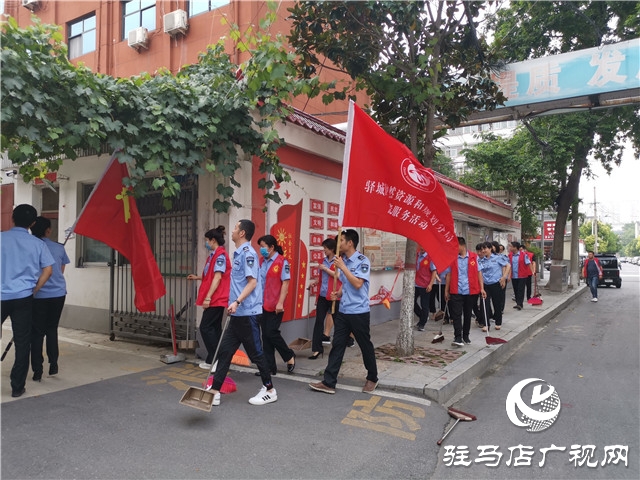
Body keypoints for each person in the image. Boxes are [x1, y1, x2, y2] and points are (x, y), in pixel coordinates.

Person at [207, 219, 276, 406]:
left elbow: (252, 282)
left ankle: (270, 389)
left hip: (247, 313)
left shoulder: (248, 254)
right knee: (225, 352)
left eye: (236, 228)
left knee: (256, 354)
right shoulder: (238, 253)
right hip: (237, 314)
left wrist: (237, 301)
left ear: (242, 233)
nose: (233, 231)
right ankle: (215, 390)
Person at [310, 229, 378, 394]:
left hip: (359, 311)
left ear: (350, 243)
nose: (338, 244)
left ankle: (372, 378)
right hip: (343, 311)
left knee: (365, 345)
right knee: (338, 345)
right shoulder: (343, 260)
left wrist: (342, 267)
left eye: (341, 241)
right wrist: (338, 293)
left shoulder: (362, 260)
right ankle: (329, 382)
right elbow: (345, 283)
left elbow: (358, 284)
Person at [1, 205, 54, 398]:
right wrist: (35, 289)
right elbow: (48, 270)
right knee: (22, 342)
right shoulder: (38, 244)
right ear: (32, 223)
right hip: (23, 297)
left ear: (12, 218)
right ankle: (17, 386)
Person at [30, 216, 70, 381]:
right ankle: (53, 364)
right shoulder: (59, 248)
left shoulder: (31, 247)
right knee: (52, 329)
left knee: (37, 332)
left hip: (37, 295)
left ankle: (37, 370)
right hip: (58, 294)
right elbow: (61, 269)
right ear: (48, 231)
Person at [187, 226, 230, 370]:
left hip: (216, 298)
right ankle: (215, 359)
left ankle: (216, 359)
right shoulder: (213, 255)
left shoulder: (220, 256)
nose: (206, 243)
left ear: (213, 240)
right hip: (215, 298)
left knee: (205, 327)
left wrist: (208, 298)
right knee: (214, 329)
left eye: (207, 240)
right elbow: (211, 275)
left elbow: (218, 277)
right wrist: (197, 277)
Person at [257, 234, 296, 374]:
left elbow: (285, 283)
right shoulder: (261, 261)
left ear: (272, 247)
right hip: (262, 303)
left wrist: (280, 302)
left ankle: (289, 355)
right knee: (265, 336)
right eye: (260, 247)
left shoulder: (282, 262)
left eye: (263, 247)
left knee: (271, 332)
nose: (261, 249)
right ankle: (269, 368)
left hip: (276, 305)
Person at [445, 237, 486, 347]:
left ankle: (466, 335)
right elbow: (449, 274)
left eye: (456, 246)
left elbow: (479, 273)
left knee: (467, 314)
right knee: (456, 314)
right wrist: (446, 290)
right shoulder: (452, 258)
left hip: (470, 291)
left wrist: (482, 288)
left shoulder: (474, 257)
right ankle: (457, 337)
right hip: (456, 290)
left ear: (462, 245)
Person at [308, 237, 340, 359]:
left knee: (338, 322)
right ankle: (317, 349)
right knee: (319, 321)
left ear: (331, 249)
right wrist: (315, 282)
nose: (324, 250)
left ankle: (338, 348)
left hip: (333, 295)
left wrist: (325, 269)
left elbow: (338, 275)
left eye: (325, 248)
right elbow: (322, 277)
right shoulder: (323, 260)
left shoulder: (338, 261)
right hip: (322, 295)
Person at [478, 241, 510, 331]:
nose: (483, 251)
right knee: (485, 304)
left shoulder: (497, 258)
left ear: (490, 249)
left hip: (496, 284)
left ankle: (498, 322)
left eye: (485, 248)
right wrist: (481, 287)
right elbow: (480, 273)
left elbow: (508, 266)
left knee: (497, 304)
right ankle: (486, 324)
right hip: (485, 285)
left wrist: (504, 277)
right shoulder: (481, 260)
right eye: (482, 249)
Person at [414, 247, 433, 331]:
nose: (422, 248)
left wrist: (430, 284)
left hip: (425, 284)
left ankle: (422, 324)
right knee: (411, 302)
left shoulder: (429, 258)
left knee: (424, 304)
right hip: (415, 284)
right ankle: (422, 316)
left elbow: (434, 271)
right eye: (420, 246)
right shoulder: (416, 256)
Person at [509, 241, 532, 310]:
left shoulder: (524, 255)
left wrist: (532, 271)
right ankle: (517, 303)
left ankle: (520, 304)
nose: (510, 248)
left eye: (511, 246)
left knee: (520, 290)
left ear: (515, 247)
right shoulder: (510, 255)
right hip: (514, 276)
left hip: (522, 275)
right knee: (515, 290)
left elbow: (529, 263)